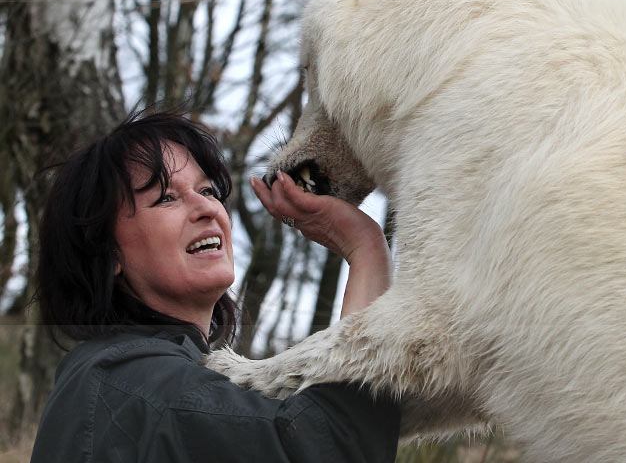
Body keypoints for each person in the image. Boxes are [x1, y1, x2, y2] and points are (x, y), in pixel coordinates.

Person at [29, 109, 399, 462]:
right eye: (166, 198)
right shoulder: (140, 389)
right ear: (108, 254)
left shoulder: (121, 380)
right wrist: (365, 248)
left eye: (207, 191)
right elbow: (333, 444)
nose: (207, 208)